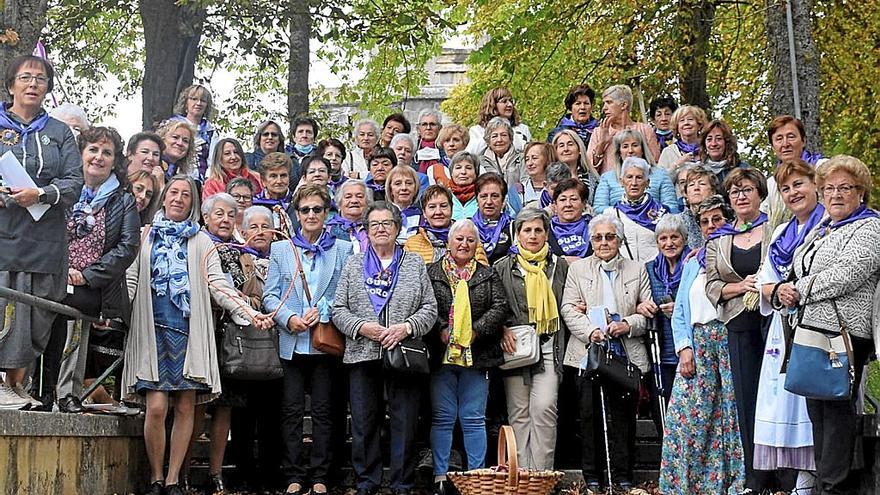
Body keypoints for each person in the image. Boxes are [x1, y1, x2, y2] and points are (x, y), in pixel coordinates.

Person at [122, 176, 273, 495]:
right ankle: (155, 476)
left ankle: (175, 478)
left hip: (189, 333)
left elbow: (219, 285)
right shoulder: (145, 236)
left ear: (193, 203)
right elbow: (131, 281)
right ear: (163, 198)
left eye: (185, 195)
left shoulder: (201, 242)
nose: (178, 198)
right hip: (152, 332)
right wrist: (114, 312)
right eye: (173, 193)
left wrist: (249, 313)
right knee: (158, 406)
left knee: (187, 406)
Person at [782, 156, 880, 493]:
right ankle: (827, 481)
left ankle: (834, 485)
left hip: (845, 334)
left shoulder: (870, 227)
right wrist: (786, 286)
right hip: (812, 332)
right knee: (818, 412)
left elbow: (849, 275)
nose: (835, 194)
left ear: (861, 193)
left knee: (837, 411)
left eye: (844, 188)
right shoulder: (824, 229)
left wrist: (801, 288)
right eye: (829, 189)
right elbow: (798, 266)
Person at [332, 201, 438, 495]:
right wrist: (362, 327)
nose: (380, 229)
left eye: (386, 223)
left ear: (397, 228)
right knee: (364, 422)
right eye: (374, 224)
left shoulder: (414, 263)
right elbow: (338, 309)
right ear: (366, 231)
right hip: (362, 352)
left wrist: (406, 328)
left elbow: (430, 308)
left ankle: (402, 483)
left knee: (404, 421)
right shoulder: (354, 265)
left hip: (404, 354)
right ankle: (367, 481)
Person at [0, 55, 82, 409]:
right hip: (5, 237)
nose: (33, 83)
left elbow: (75, 183)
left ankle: (18, 386)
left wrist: (42, 194)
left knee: (36, 317)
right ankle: (2, 384)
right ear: (11, 85)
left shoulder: (59, 132)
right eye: (25, 77)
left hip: (46, 240)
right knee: (8, 309)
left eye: (40, 78)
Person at [38, 126, 140, 411]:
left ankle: (66, 392)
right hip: (53, 272)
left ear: (115, 160)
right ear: (81, 154)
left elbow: (127, 246)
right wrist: (62, 268)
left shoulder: (123, 199)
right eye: (93, 150)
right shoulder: (64, 189)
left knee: (71, 314)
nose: (99, 157)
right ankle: (40, 390)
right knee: (43, 308)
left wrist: (87, 274)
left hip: (93, 284)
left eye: (106, 152)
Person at [262, 184, 352, 495]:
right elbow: (270, 295)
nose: (311, 215)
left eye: (317, 209)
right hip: (292, 343)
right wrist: (289, 318)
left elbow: (346, 293)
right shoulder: (281, 249)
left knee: (325, 412)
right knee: (290, 411)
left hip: (324, 343)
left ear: (327, 213)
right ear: (296, 214)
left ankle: (321, 476)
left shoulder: (343, 248)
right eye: (305, 210)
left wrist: (322, 311)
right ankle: (293, 475)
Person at [185, 195, 273, 494]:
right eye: (218, 213)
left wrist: (248, 302)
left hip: (234, 339)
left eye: (230, 214)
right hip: (203, 333)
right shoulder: (195, 246)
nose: (224, 219)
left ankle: (215, 472)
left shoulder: (242, 253)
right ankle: (183, 469)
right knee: (198, 404)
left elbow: (258, 293)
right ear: (206, 217)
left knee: (225, 409)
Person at [659, 194, 746, 494]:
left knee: (732, 412)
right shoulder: (692, 261)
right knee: (688, 413)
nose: (711, 226)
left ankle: (732, 481)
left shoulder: (738, 250)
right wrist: (684, 347)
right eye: (705, 221)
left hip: (730, 337)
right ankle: (689, 483)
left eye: (717, 219)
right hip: (698, 343)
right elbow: (680, 311)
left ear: (728, 219)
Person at [561, 212, 652, 492]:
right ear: (591, 240)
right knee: (589, 415)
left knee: (623, 416)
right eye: (598, 237)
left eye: (610, 237)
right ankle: (592, 474)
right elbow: (568, 308)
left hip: (624, 353)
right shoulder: (578, 270)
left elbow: (646, 311)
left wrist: (627, 324)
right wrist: (591, 331)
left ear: (619, 239)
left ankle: (623, 473)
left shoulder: (637, 269)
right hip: (589, 352)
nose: (604, 242)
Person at [754, 159, 822, 492]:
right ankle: (802, 479)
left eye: (799, 184)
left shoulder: (828, 225)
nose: (793, 192)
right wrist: (777, 290)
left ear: (815, 185)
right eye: (785, 188)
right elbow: (763, 283)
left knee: (815, 400)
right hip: (785, 325)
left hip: (818, 324)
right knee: (787, 400)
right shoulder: (781, 233)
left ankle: (815, 479)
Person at [704, 167, 773, 492]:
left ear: (760, 193)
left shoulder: (776, 230)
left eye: (747, 190)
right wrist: (742, 286)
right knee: (747, 400)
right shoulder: (720, 239)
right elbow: (713, 286)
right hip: (738, 324)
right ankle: (755, 477)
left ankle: (788, 474)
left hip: (773, 323)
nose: (742, 196)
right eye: (735, 192)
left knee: (777, 395)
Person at [426, 219, 507, 495]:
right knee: (443, 417)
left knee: (473, 418)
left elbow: (500, 307)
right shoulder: (431, 272)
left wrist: (476, 331)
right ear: (448, 243)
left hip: (477, 356)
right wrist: (440, 329)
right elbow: (424, 304)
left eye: (470, 240)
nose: (464, 244)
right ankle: (440, 475)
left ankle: (476, 476)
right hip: (442, 356)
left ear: (477, 244)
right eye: (459, 239)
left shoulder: (488, 274)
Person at [494, 206, 569, 470]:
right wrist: (501, 328)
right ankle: (522, 475)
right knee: (519, 414)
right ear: (517, 235)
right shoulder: (502, 267)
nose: (533, 235)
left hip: (549, 345)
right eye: (527, 230)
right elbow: (495, 305)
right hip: (516, 349)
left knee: (544, 408)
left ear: (547, 234)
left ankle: (542, 475)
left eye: (538, 230)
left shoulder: (559, 267)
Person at [638, 214, 690, 433]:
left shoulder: (694, 264)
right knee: (664, 412)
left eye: (674, 237)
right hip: (661, 352)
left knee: (689, 412)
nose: (669, 243)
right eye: (663, 238)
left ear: (684, 239)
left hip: (689, 349)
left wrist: (679, 307)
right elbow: (639, 297)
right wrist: (641, 306)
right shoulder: (649, 269)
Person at [593, 129, 678, 214]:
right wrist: (626, 215)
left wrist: (648, 215)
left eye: (635, 145)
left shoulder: (661, 175)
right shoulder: (607, 178)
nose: (630, 151)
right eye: (625, 146)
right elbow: (598, 208)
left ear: (642, 150)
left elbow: (672, 208)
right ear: (619, 153)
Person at [764, 115, 825, 228]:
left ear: (803, 141)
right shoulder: (771, 184)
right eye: (779, 139)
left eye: (791, 137)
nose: (785, 144)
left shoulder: (823, 168)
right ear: (773, 147)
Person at [405, 185, 489, 266]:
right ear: (424, 213)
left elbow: (483, 273)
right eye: (432, 207)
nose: (438, 212)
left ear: (452, 209)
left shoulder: (469, 239)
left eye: (443, 206)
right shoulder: (412, 244)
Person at [586, 84, 661, 175]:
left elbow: (655, 164)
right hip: (609, 187)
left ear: (624, 105)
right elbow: (590, 170)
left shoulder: (644, 130)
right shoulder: (598, 132)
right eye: (604, 103)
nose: (604, 108)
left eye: (609, 102)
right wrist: (601, 144)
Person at [612, 157, 669, 262]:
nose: (634, 183)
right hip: (624, 270)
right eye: (629, 177)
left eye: (639, 177)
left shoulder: (662, 211)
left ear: (647, 182)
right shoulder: (611, 214)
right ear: (621, 181)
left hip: (655, 270)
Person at [168, 85, 218, 181]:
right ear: (186, 102)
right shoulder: (173, 125)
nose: (198, 103)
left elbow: (212, 161)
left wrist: (207, 181)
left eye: (203, 100)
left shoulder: (210, 132)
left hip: (200, 182)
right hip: (173, 177)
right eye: (194, 99)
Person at [467, 87, 532, 155]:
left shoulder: (523, 129)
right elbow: (471, 154)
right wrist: (490, 130)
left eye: (511, 101)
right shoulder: (477, 130)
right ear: (493, 105)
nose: (509, 105)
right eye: (504, 101)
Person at [548, 178, 593, 265]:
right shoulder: (545, 230)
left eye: (573, 199)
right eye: (563, 200)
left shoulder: (595, 228)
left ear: (584, 203)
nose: (568, 204)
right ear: (555, 205)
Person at [472, 173, 514, 264]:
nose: (489, 202)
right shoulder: (467, 227)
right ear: (476, 199)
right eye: (484, 196)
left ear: (503, 200)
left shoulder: (513, 227)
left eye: (494, 196)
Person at [677, 165, 722, 250]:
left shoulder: (724, 218)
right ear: (686, 193)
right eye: (691, 185)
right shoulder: (678, 222)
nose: (696, 188)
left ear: (713, 191)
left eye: (702, 184)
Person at [253, 151, 297, 235]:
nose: (279, 181)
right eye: (273, 176)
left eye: (283, 175)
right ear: (263, 181)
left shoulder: (299, 204)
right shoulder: (254, 205)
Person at [551, 129, 599, 203]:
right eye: (561, 145)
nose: (566, 149)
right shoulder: (550, 178)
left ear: (579, 149)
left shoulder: (591, 179)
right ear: (556, 151)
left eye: (570, 144)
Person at [657, 104, 707, 174]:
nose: (686, 123)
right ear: (677, 127)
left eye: (690, 119)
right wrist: (677, 164)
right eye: (682, 120)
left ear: (699, 125)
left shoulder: (707, 148)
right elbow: (659, 181)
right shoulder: (668, 152)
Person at [479, 117, 526, 189]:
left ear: (510, 139)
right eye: (494, 136)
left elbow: (525, 183)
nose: (499, 140)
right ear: (488, 141)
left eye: (504, 135)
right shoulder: (480, 161)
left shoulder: (522, 159)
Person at [326, 179, 372, 253]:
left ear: (367, 203)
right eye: (348, 197)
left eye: (360, 196)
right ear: (339, 204)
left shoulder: (375, 228)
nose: (354, 201)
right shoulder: (328, 230)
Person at [699, 119, 748, 184]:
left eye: (718, 139)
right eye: (709, 139)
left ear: (727, 142)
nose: (713, 144)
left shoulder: (743, 169)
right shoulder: (698, 170)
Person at [386, 165, 422, 244]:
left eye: (409, 183)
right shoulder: (383, 215)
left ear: (415, 188)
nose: (404, 188)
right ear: (390, 189)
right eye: (398, 183)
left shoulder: (423, 217)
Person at [447, 152, 480, 220]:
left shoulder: (483, 196)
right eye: (458, 168)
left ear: (476, 173)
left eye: (468, 168)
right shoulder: (445, 196)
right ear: (451, 173)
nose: (463, 172)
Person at [414, 110, 444, 174]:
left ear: (440, 128)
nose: (428, 128)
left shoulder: (446, 149)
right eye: (424, 124)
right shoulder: (412, 149)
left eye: (432, 124)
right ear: (418, 129)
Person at [226, 177, 256, 241]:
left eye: (246, 197)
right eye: (236, 196)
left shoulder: (258, 225)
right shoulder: (223, 225)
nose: (241, 200)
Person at [521, 142, 551, 206]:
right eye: (527, 159)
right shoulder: (518, 190)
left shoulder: (557, 188)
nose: (530, 163)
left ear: (547, 159)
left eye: (534, 158)